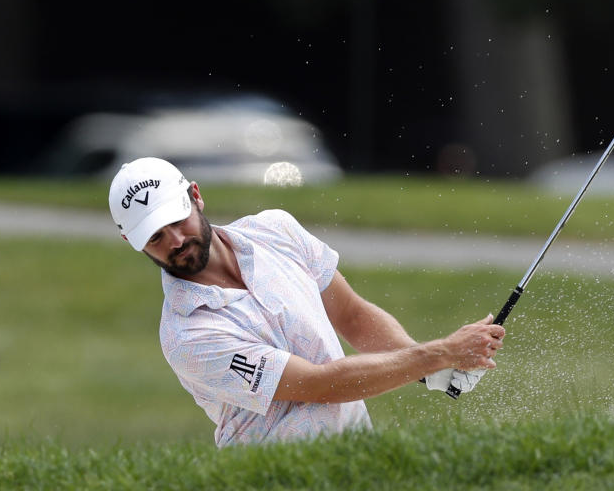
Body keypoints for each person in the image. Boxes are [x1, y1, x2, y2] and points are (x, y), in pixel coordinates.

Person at [108, 157, 504, 447]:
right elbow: (320, 384)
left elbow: (352, 315)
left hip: (356, 450)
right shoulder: (188, 334)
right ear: (132, 242)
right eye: (155, 237)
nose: (175, 241)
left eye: (177, 221)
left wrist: (433, 370)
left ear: (196, 196)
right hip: (273, 481)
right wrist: (440, 353)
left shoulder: (275, 230)